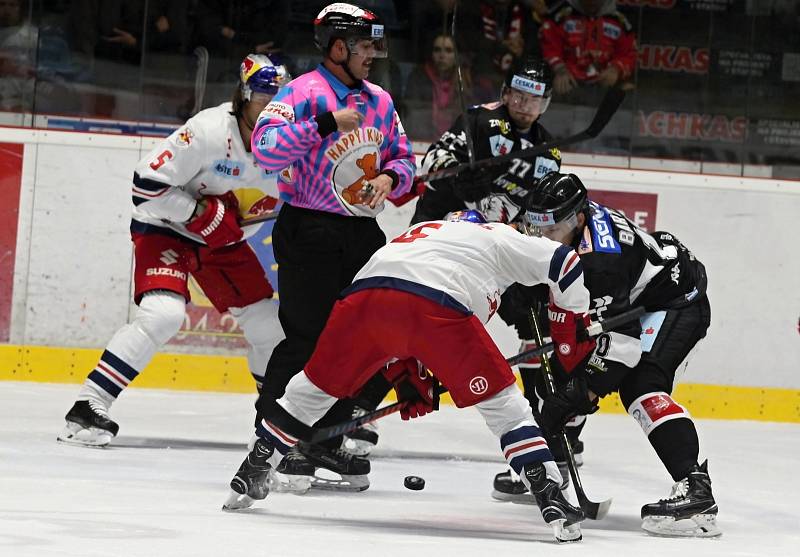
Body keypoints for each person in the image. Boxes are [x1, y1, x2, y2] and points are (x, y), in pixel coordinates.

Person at [224, 209, 596, 543]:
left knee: (311, 390)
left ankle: (255, 467)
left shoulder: (419, 232)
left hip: (361, 301)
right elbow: (565, 263)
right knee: (506, 408)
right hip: (437, 305)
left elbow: (394, 306)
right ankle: (550, 495)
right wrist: (572, 324)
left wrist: (408, 370)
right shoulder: (496, 236)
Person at [57, 54, 291, 448]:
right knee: (163, 315)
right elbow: (144, 186)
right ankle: (88, 406)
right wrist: (197, 212)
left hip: (221, 240)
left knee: (269, 326)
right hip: (165, 228)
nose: (272, 109)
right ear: (244, 95)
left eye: (282, 102)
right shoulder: (208, 131)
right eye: (264, 97)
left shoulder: (289, 148)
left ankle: (272, 425)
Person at [494, 172, 720, 538]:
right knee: (566, 371)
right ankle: (556, 463)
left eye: (550, 229)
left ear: (577, 219)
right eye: (535, 227)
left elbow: (622, 347)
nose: (540, 236)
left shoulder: (600, 261)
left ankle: (696, 491)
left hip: (672, 302)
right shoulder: (557, 224)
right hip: (631, 299)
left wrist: (584, 393)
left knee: (639, 385)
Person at [249, 3, 415, 488]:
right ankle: (274, 443)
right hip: (309, 228)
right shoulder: (301, 92)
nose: (373, 56)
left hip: (361, 233)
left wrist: (389, 177)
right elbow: (265, 149)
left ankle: (322, 441)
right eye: (365, 47)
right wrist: (324, 124)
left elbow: (406, 162)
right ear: (338, 47)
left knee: (355, 341)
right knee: (305, 338)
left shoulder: (381, 100)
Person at [412, 57, 561, 225]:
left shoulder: (549, 155)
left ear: (544, 103)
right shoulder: (479, 120)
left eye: (534, 100)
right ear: (507, 94)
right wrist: (458, 174)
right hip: (437, 224)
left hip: (488, 243)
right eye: (519, 96)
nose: (525, 107)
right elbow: (430, 161)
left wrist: (518, 228)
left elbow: (537, 217)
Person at [538, 0, 636, 96]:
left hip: (605, 85)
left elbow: (629, 53)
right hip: (569, 82)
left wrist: (616, 69)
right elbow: (549, 47)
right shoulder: (561, 17)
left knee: (627, 91)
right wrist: (560, 69)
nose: (592, 3)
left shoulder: (619, 21)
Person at [403, 34, 472, 141]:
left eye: (448, 50)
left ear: (457, 55)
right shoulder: (418, 77)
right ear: (431, 53)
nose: (442, 55)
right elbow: (412, 114)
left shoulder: (464, 80)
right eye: (437, 50)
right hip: (421, 142)